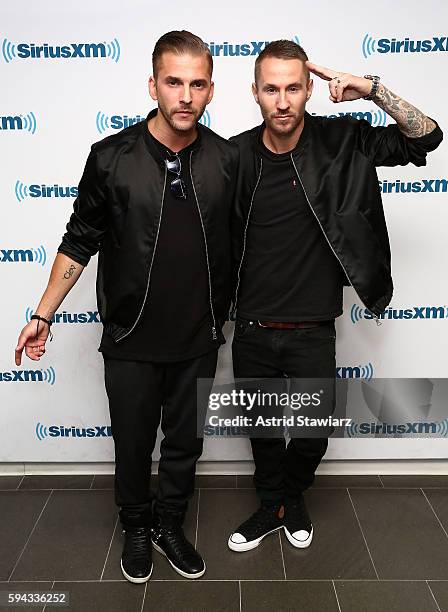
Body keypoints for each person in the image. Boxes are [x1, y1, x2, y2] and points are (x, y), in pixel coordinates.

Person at [14, 30, 238, 583]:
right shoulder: (110, 158)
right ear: (152, 85)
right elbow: (79, 238)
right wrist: (42, 313)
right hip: (131, 338)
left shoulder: (231, 160)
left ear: (211, 91)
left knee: (185, 445)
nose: (185, 95)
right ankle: (136, 526)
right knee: (133, 445)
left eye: (197, 84)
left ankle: (169, 525)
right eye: (173, 82)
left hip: (198, 338)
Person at [227, 39, 442, 553]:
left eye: (294, 88)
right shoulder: (231, 156)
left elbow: (425, 139)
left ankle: (292, 497)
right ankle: (269, 505)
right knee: (261, 433)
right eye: (272, 89)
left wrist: (371, 89)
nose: (283, 102)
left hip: (312, 329)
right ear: (254, 92)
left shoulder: (344, 140)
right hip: (252, 327)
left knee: (310, 434)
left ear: (310, 91)